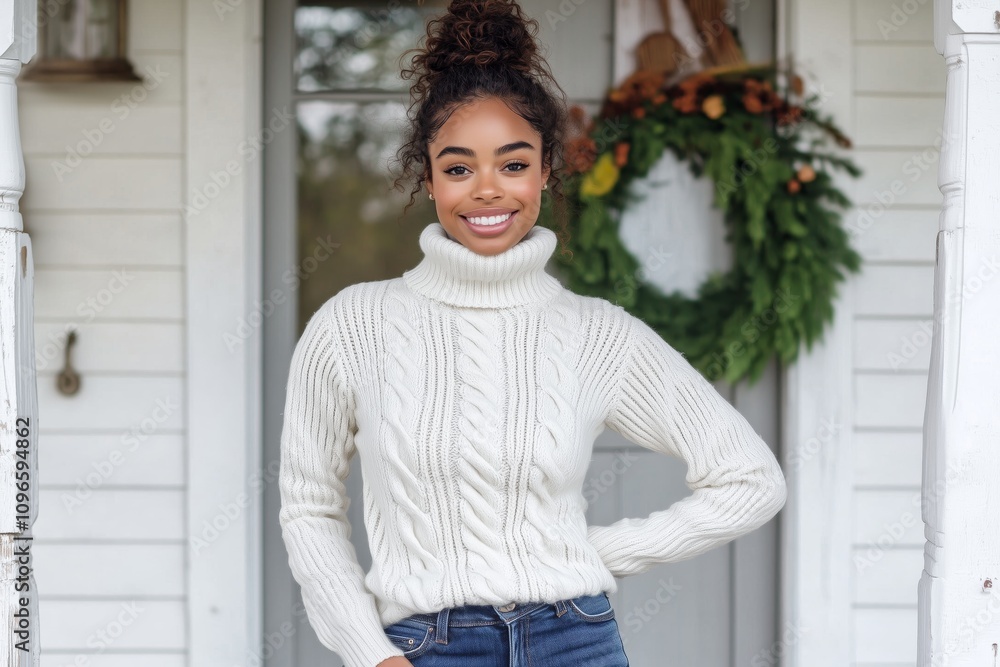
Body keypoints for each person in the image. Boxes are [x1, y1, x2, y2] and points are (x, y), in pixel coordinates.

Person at [277, 0, 788, 665]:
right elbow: (309, 509)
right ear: (428, 180)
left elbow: (751, 479)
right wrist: (368, 652)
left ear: (547, 169)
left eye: (513, 164)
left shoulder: (597, 334)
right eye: (459, 168)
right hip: (424, 647)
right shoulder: (352, 325)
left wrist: (591, 551)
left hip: (574, 639)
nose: (487, 189)